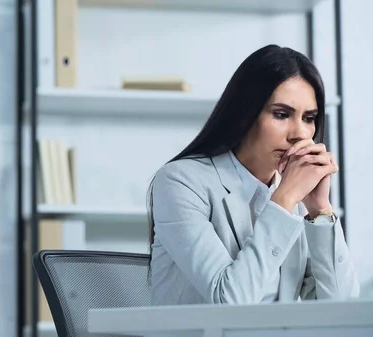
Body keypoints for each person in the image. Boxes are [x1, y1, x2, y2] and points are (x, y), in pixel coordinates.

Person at [147, 44, 360, 306]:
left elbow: (342, 309)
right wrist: (284, 199)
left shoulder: (292, 194)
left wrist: (320, 211)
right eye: (282, 115)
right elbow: (229, 301)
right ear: (244, 114)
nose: (301, 134)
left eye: (309, 118)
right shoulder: (179, 181)